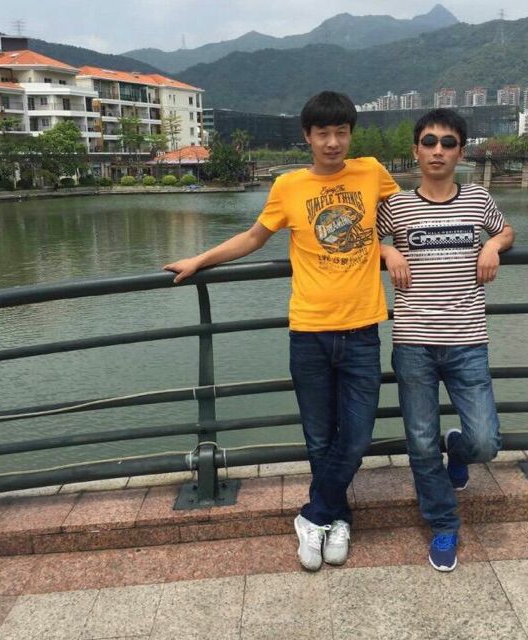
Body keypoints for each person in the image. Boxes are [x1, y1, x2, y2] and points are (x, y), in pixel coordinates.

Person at [164, 91, 401, 571]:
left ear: (351, 134)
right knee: (319, 439)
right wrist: (200, 259)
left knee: (356, 437)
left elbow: (404, 216)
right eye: (322, 133)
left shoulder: (372, 171)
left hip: (361, 332)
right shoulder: (288, 185)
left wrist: (388, 247)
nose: (332, 142)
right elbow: (254, 237)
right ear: (307, 137)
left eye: (340, 132)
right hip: (309, 332)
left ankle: (312, 516)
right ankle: (338, 518)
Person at [377, 108, 514, 572]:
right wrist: (389, 249)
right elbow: (366, 239)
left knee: (486, 441)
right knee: (420, 442)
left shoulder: (477, 198)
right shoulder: (396, 206)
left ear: (461, 151)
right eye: (430, 142)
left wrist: (492, 245)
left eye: (448, 143)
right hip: (413, 342)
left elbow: (506, 229)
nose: (438, 150)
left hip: (467, 340)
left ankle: (457, 449)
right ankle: (443, 523)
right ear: (416, 150)